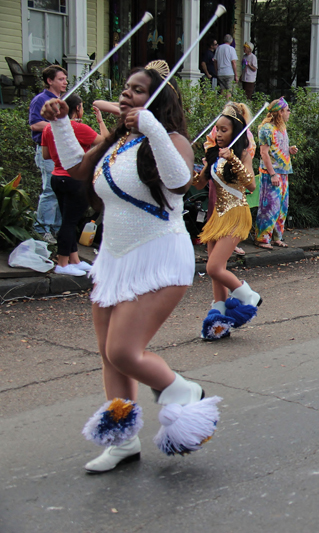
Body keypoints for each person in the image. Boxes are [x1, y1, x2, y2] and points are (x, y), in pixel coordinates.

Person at [41, 61, 221, 472]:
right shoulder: (117, 142)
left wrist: (151, 127)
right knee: (110, 356)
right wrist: (63, 122)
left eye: (137, 90)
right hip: (114, 258)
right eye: (125, 88)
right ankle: (122, 441)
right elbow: (76, 169)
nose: (125, 94)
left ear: (157, 101)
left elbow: (178, 182)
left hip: (158, 255)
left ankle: (181, 390)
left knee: (124, 350)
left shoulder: (172, 139)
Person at [194, 103, 261, 340]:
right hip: (217, 216)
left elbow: (251, 185)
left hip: (236, 213)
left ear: (235, 132)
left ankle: (248, 295)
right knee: (215, 271)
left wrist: (233, 159)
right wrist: (194, 171)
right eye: (217, 130)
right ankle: (219, 319)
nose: (219, 134)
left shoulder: (242, 154)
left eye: (224, 130)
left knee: (213, 267)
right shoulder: (213, 155)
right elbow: (199, 185)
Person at [40, 94, 105, 276]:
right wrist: (100, 122)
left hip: (57, 178)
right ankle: (62, 263)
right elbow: (107, 143)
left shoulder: (48, 128)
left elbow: (45, 155)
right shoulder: (79, 127)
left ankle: (74, 259)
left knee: (67, 219)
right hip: (76, 179)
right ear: (77, 109)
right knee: (70, 223)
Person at [30, 65, 69, 244]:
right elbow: (35, 125)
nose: (65, 82)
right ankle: (42, 229)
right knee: (49, 189)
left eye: (65, 79)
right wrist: (56, 124)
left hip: (61, 150)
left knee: (61, 189)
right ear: (50, 80)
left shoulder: (62, 100)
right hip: (47, 151)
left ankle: (56, 228)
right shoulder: (41, 100)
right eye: (61, 79)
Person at [256, 97, 297, 249]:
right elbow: (264, 153)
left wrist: (289, 150)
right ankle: (262, 238)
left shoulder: (282, 128)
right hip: (270, 173)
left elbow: (277, 149)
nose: (289, 113)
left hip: (283, 172)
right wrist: (272, 173)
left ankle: (276, 237)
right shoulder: (266, 128)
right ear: (280, 112)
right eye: (287, 110)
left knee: (282, 206)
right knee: (269, 206)